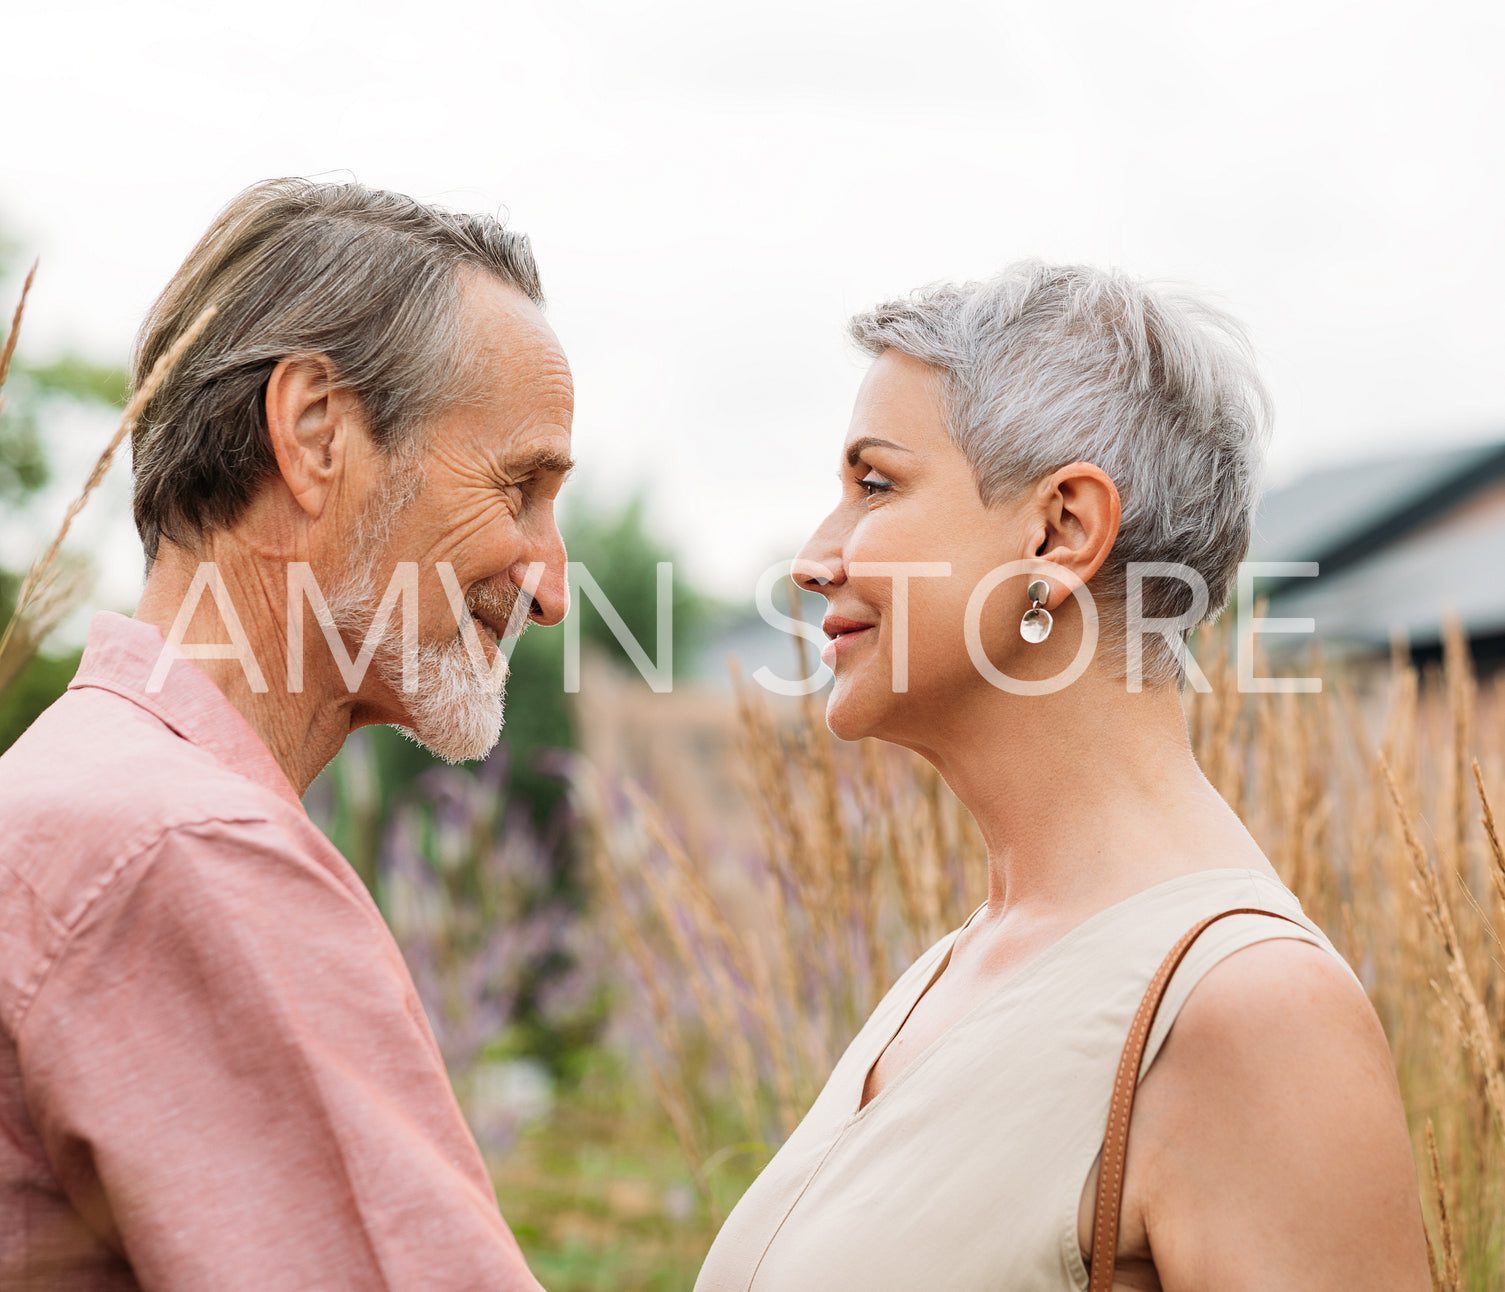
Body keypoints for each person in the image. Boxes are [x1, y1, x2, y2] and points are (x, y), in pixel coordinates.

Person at [695, 264, 1430, 1290]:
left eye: (874, 483)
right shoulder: (949, 972)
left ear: (1058, 531)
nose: (814, 558)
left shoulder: (1253, 1012)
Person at [0, 179, 572, 1289]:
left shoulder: (77, 792)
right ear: (313, 431)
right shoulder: (185, 849)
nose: (550, 585)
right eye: (519, 486)